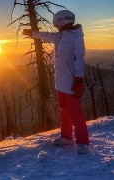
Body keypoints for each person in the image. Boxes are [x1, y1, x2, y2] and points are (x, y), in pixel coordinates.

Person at [22, 9, 89, 154]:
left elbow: (79, 59)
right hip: (61, 82)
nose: (55, 25)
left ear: (62, 21)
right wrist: (31, 34)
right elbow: (45, 35)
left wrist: (78, 80)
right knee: (64, 111)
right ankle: (66, 137)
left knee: (76, 113)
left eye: (56, 23)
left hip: (72, 83)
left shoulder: (76, 37)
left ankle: (83, 142)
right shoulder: (60, 36)